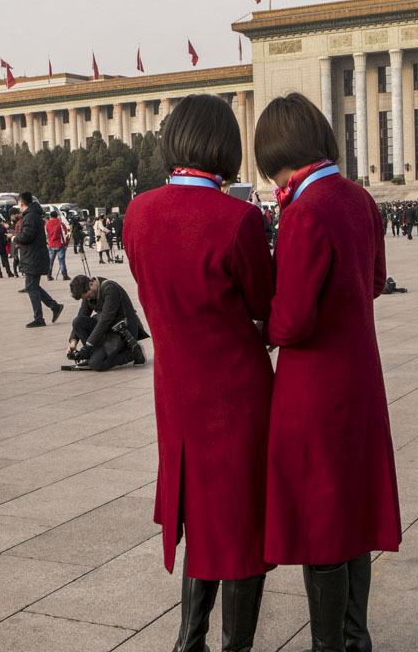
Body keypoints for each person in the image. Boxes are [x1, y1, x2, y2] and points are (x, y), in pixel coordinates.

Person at [124, 94, 275, 652]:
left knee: (203, 519)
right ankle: (236, 647)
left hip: (176, 393)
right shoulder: (238, 219)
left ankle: (189, 641)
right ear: (225, 147)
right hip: (237, 394)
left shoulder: (136, 213)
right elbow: (266, 302)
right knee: (241, 528)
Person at [254, 93, 400, 652]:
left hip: (314, 387)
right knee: (353, 518)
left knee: (321, 526)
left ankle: (328, 646)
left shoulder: (304, 212)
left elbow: (291, 320)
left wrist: (259, 325)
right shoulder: (361, 200)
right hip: (360, 376)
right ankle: (354, 637)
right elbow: (376, 280)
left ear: (278, 157)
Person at [66, 275, 148, 371]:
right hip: (107, 329)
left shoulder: (110, 289)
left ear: (91, 284)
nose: (88, 299)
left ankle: (132, 354)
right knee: (78, 322)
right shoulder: (89, 291)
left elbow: (105, 321)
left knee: (96, 364)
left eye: (88, 296)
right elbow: (82, 314)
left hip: (122, 332)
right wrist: (73, 342)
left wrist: (88, 346)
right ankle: (92, 356)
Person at [13, 191, 64, 327]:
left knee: (31, 287)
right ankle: (54, 306)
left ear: (20, 202)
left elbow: (26, 237)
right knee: (33, 286)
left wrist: (14, 238)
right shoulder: (34, 216)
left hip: (32, 257)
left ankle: (39, 317)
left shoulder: (29, 218)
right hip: (35, 256)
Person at [45, 210, 70, 281]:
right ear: (57, 216)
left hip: (51, 244)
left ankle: (49, 275)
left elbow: (46, 235)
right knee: (61, 261)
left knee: (50, 261)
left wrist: (48, 243)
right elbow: (65, 235)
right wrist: (65, 244)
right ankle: (64, 275)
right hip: (60, 244)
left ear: (50, 216)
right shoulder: (61, 224)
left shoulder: (47, 224)